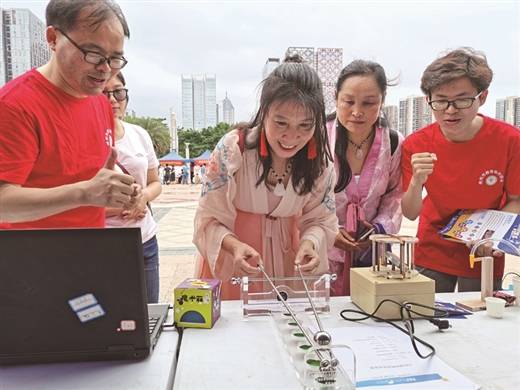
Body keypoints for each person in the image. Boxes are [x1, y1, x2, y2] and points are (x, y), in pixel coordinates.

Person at [193, 56, 338, 300]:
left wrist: (310, 243)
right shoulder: (233, 149)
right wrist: (234, 246)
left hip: (289, 258)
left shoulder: (319, 162)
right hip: (237, 258)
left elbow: (322, 220)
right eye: (281, 123)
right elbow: (208, 218)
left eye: (305, 125)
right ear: (264, 111)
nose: (291, 137)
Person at [0, 0, 136, 228]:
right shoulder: (15, 105)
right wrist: (83, 193)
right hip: (29, 258)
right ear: (53, 38)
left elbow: (94, 185)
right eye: (93, 53)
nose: (105, 68)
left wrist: (120, 191)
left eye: (115, 58)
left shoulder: (99, 102)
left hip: (89, 251)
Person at [401, 47, 520, 293]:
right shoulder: (416, 144)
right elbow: (410, 213)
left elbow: (516, 199)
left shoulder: (510, 140)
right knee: (427, 319)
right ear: (428, 100)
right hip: (433, 248)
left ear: (482, 97)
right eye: (441, 100)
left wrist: (493, 235)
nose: (450, 110)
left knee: (480, 321)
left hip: (483, 247)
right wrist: (416, 182)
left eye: (462, 100)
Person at [326, 60, 404, 296]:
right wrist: (329, 229)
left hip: (371, 253)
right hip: (322, 254)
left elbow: (395, 195)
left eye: (369, 103)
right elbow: (302, 196)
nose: (357, 112)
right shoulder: (316, 138)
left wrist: (378, 229)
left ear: (382, 101)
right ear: (336, 97)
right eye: (348, 102)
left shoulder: (393, 142)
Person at [103, 72, 162, 303]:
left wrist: (143, 197)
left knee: (149, 311)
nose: (113, 100)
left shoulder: (139, 134)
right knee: (108, 315)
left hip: (144, 239)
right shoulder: (83, 138)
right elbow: (76, 200)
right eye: (104, 93)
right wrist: (119, 209)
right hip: (103, 243)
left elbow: (156, 182)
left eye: (119, 92)